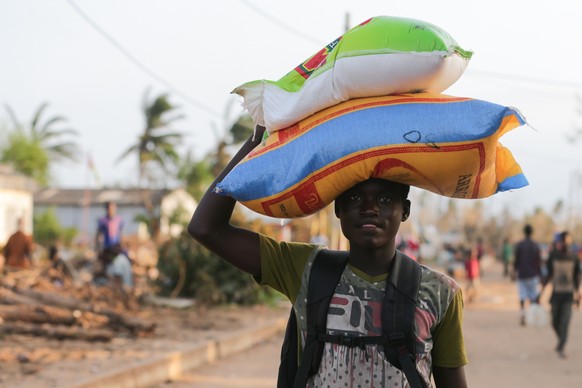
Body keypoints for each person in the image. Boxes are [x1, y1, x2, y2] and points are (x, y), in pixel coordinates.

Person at [188, 126, 468, 387]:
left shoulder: (440, 292)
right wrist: (259, 136)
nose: (370, 209)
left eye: (384, 200)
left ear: (405, 211)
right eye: (355, 199)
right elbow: (205, 228)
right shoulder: (304, 268)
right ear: (338, 209)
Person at [539, 231, 580, 358]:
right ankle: (561, 339)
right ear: (560, 242)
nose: (565, 243)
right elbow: (548, 275)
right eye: (563, 241)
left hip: (568, 295)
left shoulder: (574, 258)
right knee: (555, 322)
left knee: (565, 322)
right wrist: (541, 292)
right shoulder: (553, 256)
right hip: (556, 294)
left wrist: (578, 293)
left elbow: (577, 277)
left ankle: (562, 345)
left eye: (568, 241)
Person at [512, 224, 542, 326]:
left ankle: (523, 314)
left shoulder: (520, 245)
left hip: (522, 274)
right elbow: (539, 261)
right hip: (533, 275)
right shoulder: (535, 245)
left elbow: (516, 261)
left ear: (524, 232)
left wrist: (514, 271)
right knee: (533, 296)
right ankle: (532, 316)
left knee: (522, 296)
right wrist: (540, 274)